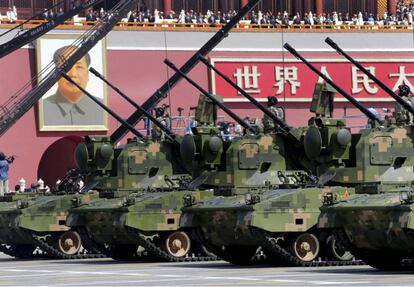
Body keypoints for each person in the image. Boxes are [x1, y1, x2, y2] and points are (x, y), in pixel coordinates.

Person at [42, 46, 104, 126]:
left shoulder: (102, 107)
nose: (73, 74)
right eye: (66, 67)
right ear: (55, 73)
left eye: (79, 67)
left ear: (88, 74)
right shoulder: (42, 108)